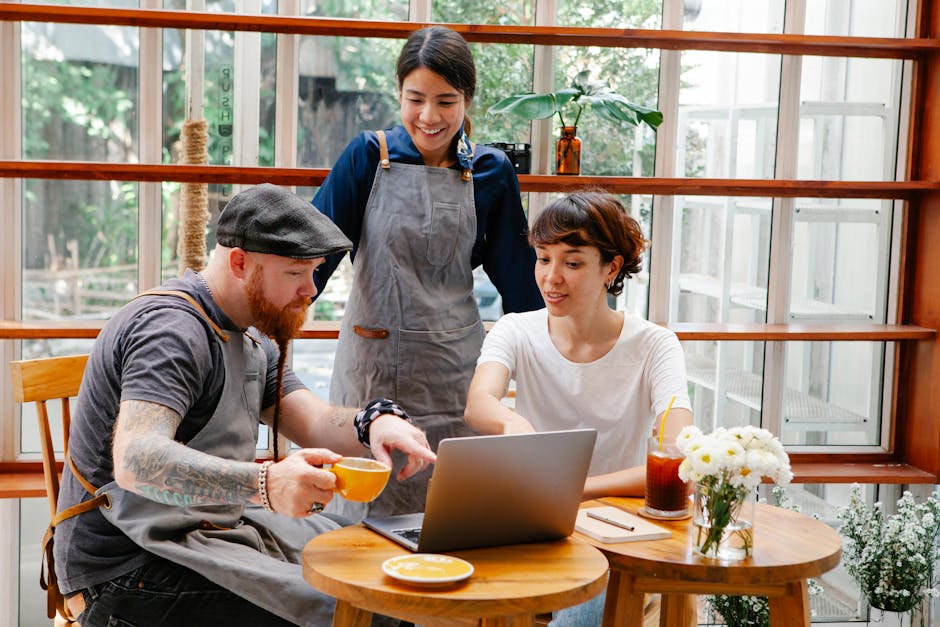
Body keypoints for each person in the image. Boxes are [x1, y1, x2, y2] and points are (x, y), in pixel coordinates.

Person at [52, 183, 437, 627]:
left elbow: (313, 420)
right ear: (239, 262)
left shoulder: (251, 333)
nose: (311, 290)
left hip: (205, 534)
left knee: (376, 560)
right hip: (127, 570)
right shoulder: (172, 331)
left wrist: (375, 422)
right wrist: (266, 482)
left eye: (314, 271)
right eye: (296, 273)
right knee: (365, 610)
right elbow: (136, 460)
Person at [311, 25, 543, 522]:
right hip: (372, 371)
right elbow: (313, 258)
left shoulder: (492, 171)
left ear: (467, 100)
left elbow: (521, 288)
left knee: (451, 516)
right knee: (365, 520)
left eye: (446, 100)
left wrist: (557, 362)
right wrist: (262, 330)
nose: (429, 116)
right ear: (398, 93)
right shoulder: (367, 157)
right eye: (415, 99)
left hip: (455, 374)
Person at [464, 191, 693, 625]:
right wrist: (511, 422)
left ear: (612, 267)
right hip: (538, 522)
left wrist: (574, 488)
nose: (552, 278)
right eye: (543, 258)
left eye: (572, 263)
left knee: (585, 601)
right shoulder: (516, 330)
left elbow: (677, 453)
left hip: (619, 527)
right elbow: (479, 404)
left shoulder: (654, 345)